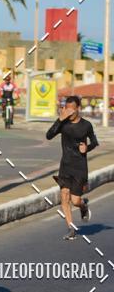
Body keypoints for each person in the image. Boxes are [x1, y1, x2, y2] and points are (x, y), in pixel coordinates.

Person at [46, 95, 98, 240]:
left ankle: (83, 207)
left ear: (78, 109)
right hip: (65, 166)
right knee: (64, 197)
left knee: (75, 200)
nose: (69, 112)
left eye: (71, 110)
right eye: (67, 109)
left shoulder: (86, 125)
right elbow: (49, 135)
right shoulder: (63, 124)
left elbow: (94, 141)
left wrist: (87, 148)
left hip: (80, 167)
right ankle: (71, 228)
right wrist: (60, 119)